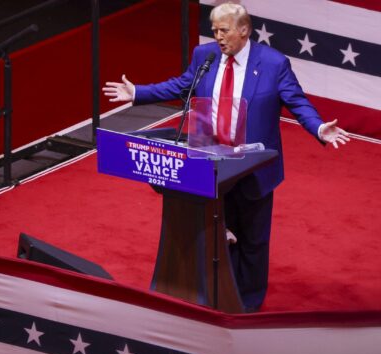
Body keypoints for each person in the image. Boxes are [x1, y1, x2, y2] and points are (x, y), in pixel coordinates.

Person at [103, 2, 349, 312]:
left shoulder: (272, 63)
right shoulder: (204, 56)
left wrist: (318, 128)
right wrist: (138, 93)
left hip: (252, 164)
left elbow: (296, 101)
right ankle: (221, 295)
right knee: (219, 233)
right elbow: (183, 85)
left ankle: (248, 305)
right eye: (215, 30)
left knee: (252, 240)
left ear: (244, 30)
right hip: (209, 160)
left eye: (225, 31)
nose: (218, 37)